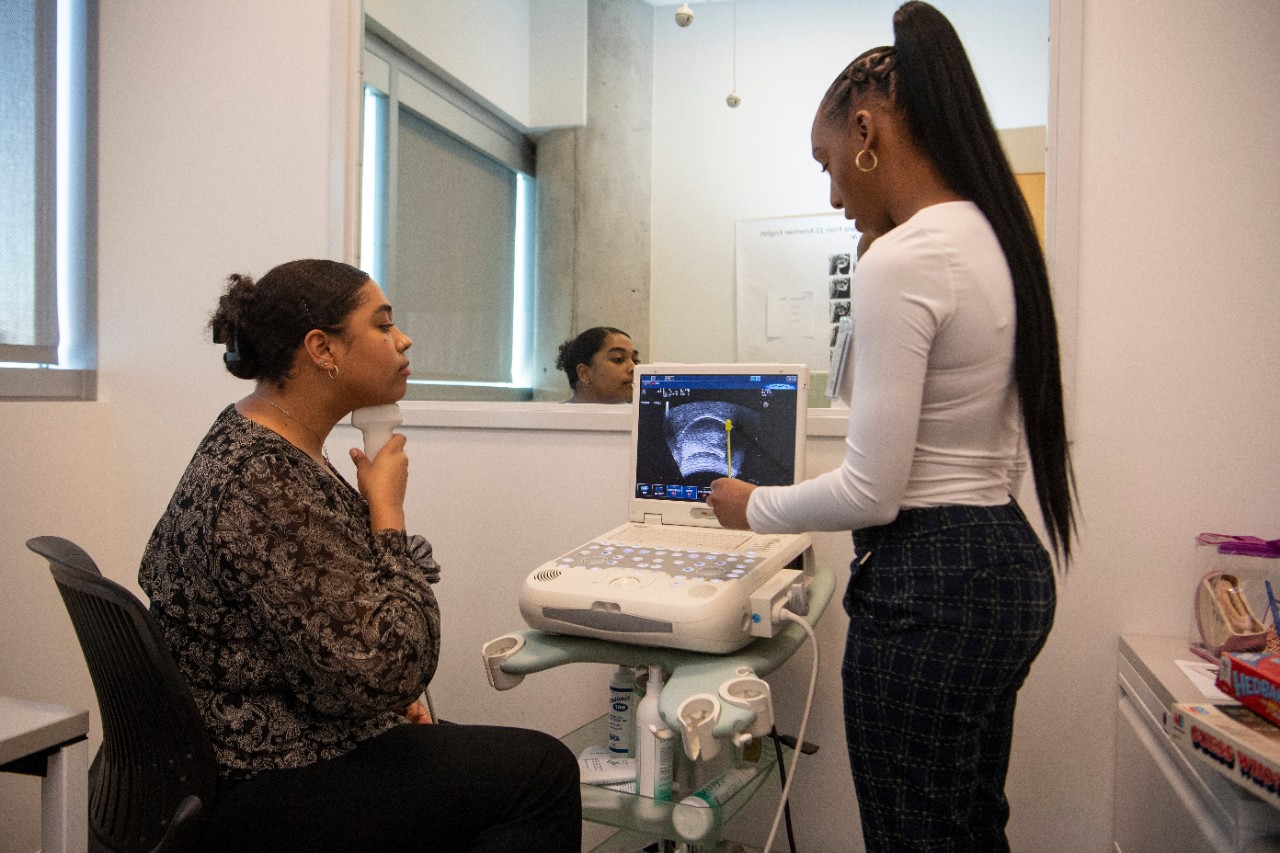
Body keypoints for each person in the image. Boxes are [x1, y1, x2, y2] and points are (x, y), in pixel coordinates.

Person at [706, 4, 1076, 851]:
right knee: (971, 824)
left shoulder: (904, 258)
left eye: (830, 163)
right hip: (1005, 566)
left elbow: (873, 487)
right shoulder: (993, 236)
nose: (834, 195)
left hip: (928, 588)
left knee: (913, 835)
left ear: (867, 132)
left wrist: (749, 504)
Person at [139, 259, 580, 853]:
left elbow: (313, 616)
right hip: (266, 775)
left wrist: (384, 700)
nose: (404, 340)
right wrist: (388, 513)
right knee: (543, 773)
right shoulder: (261, 477)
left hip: (276, 735)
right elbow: (391, 665)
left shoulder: (263, 439)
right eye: (383, 325)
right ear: (323, 349)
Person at [555, 326, 640, 403]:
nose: (634, 368)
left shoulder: (642, 417)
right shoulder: (551, 418)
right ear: (584, 373)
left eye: (635, 361)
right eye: (618, 359)